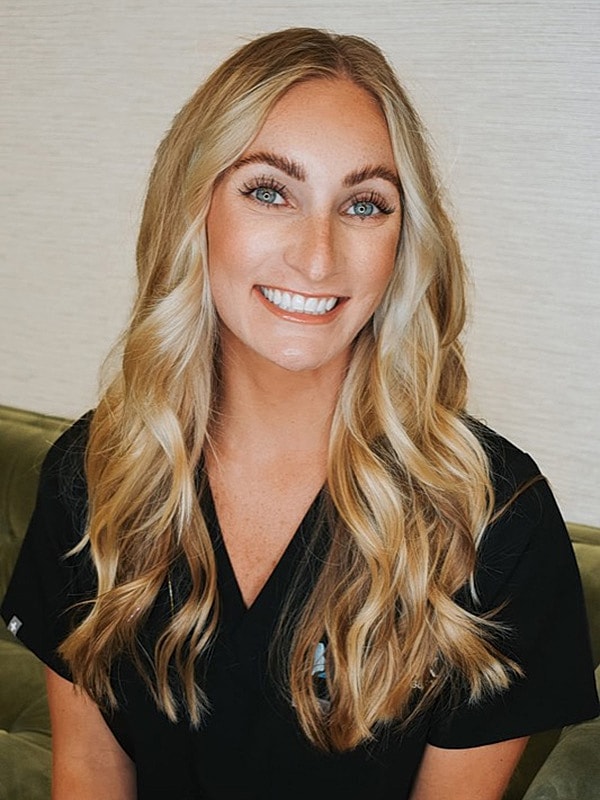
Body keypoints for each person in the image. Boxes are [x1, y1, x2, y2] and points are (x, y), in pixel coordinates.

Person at [2, 27, 598, 800]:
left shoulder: (494, 521)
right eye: (269, 190)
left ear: (402, 243)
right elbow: (89, 767)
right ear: (196, 209)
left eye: (363, 204)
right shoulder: (93, 473)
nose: (318, 257)